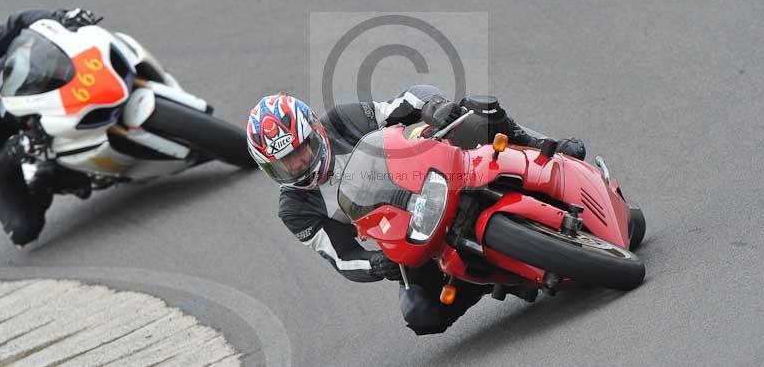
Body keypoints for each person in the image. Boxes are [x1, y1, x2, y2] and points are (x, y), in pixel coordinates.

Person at [246, 85, 586, 335]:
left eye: (301, 150)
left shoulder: (343, 120)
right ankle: (494, 279)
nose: (299, 164)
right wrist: (377, 264)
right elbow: (341, 256)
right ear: (270, 169)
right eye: (285, 163)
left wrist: (433, 107)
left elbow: (405, 101)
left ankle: (546, 149)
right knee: (422, 314)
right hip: (410, 234)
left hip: (434, 171)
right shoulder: (295, 208)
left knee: (473, 113)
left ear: (314, 131)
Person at [0, 8, 101, 245]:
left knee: (58, 63)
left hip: (23, 95)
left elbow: (18, 22)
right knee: (24, 229)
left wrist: (59, 19)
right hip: (5, 150)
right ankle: (47, 176)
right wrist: (12, 153)